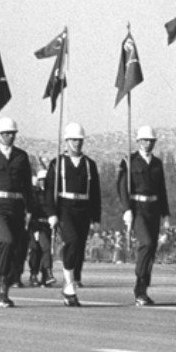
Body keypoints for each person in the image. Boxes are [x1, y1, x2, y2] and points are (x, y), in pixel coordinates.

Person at [0, 116, 37, 308]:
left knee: (17, 249)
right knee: (6, 240)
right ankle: (1, 286)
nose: (9, 137)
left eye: (12, 133)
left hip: (17, 207)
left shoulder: (21, 156)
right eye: (5, 134)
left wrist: (30, 209)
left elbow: (27, 186)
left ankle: (6, 282)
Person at [47, 122, 101, 307]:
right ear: (66, 140)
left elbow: (95, 193)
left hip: (83, 208)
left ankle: (71, 281)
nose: (77, 143)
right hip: (65, 208)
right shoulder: (57, 164)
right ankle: (68, 283)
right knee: (71, 241)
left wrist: (96, 217)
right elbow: (49, 191)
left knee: (79, 247)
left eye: (79, 140)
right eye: (73, 140)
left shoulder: (89, 164)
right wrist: (52, 214)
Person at [116, 125, 170, 305]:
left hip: (153, 208)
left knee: (152, 248)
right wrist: (127, 210)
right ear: (138, 141)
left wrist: (166, 213)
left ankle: (143, 288)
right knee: (146, 243)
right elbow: (122, 187)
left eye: (151, 141)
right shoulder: (129, 161)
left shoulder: (157, 163)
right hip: (137, 208)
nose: (148, 143)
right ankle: (139, 283)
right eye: (145, 140)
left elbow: (162, 190)